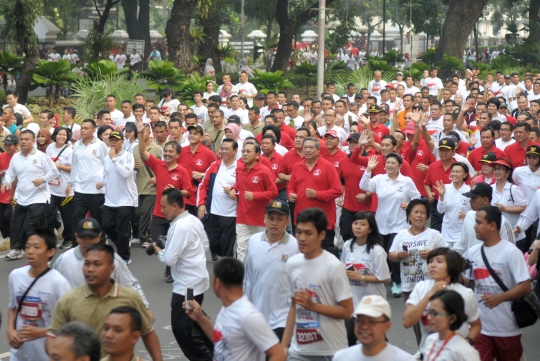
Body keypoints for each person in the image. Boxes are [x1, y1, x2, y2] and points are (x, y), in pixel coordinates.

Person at [46, 243, 163, 360]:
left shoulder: (131, 298)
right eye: (87, 264)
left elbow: (147, 332)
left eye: (97, 264)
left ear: (111, 268)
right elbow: (52, 336)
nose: (90, 269)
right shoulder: (67, 300)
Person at [281, 208, 354, 360]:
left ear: (321, 235)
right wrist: (283, 346)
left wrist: (313, 306)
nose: (301, 238)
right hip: (298, 351)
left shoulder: (333, 266)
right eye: (299, 232)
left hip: (330, 350)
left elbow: (347, 311)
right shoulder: (292, 264)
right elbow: (294, 306)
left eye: (308, 233)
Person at [151, 188, 213, 359]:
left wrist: (158, 251)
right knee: (197, 321)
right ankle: (218, 351)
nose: (162, 210)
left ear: (175, 206)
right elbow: (205, 245)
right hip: (198, 281)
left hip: (186, 286)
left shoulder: (178, 226)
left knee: (182, 328)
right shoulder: (193, 220)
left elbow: (170, 259)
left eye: (164, 207)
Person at [463, 206, 531, 361]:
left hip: (506, 329)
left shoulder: (511, 252)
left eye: (479, 222)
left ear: (492, 226)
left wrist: (499, 298)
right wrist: (457, 278)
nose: (474, 226)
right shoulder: (473, 251)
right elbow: (472, 284)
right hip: (480, 328)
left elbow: (526, 286)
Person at [186, 257, 286, 361]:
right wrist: (200, 318)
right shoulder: (227, 309)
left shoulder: (248, 315)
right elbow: (221, 340)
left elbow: (279, 354)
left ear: (218, 282)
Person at [53, 217, 150, 308]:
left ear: (99, 236)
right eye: (83, 237)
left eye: (91, 237)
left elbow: (131, 285)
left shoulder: (113, 259)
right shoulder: (63, 260)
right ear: (76, 237)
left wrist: (145, 308)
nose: (87, 242)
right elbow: (52, 288)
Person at [389, 199, 448, 346]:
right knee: (416, 322)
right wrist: (399, 256)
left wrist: (432, 254)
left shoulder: (434, 235)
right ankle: (422, 349)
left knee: (433, 320)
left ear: (427, 216)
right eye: (415, 212)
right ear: (409, 216)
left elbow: (448, 253)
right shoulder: (401, 235)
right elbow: (391, 255)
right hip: (409, 286)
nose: (419, 216)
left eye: (423, 213)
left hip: (431, 285)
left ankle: (435, 349)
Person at [360, 153, 421, 297]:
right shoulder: (379, 179)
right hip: (381, 223)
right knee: (382, 252)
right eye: (388, 162)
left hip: (399, 223)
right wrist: (368, 170)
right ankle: (387, 276)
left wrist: (409, 204)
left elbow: (417, 196)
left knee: (391, 252)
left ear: (399, 166)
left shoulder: (406, 181)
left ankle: (397, 282)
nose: (389, 165)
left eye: (393, 163)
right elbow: (363, 186)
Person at [403, 248, 481, 358]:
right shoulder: (421, 287)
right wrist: (429, 295)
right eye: (430, 261)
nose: (432, 265)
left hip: (455, 355)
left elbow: (476, 324)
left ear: (451, 266)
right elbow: (407, 322)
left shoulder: (465, 294)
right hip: (428, 351)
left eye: (439, 261)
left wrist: (467, 342)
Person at [7, 229, 71, 361]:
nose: (30, 251)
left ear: (51, 251)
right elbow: (13, 307)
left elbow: (70, 324)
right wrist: (10, 330)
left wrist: (41, 332)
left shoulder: (59, 283)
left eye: (37, 247)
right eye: (28, 246)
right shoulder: (15, 276)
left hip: (47, 354)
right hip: (19, 354)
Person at [244, 199, 299, 340]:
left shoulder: (295, 246)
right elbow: (248, 279)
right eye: (271, 218)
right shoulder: (253, 241)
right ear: (264, 218)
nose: (274, 223)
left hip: (282, 319)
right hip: (256, 317)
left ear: (287, 221)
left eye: (279, 219)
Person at [1, 130, 59, 260]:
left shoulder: (41, 156)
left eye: (27, 139)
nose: (23, 142)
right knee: (18, 227)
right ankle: (20, 249)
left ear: (33, 141)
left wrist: (42, 180)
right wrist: (6, 183)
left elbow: (54, 172)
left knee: (30, 226)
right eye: (21, 139)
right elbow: (10, 173)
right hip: (21, 198)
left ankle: (41, 253)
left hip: (39, 198)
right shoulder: (16, 157)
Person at [341, 212, 391, 346]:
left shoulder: (377, 250)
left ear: (370, 229)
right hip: (353, 304)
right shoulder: (348, 245)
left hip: (373, 303)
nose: (358, 227)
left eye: (363, 224)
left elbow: (385, 278)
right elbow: (342, 267)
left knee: (376, 340)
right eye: (355, 223)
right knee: (348, 337)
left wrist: (361, 277)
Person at [288, 137, 342, 258]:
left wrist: (317, 194)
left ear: (318, 150)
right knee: (303, 254)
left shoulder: (327, 166)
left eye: (311, 147)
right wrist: (291, 195)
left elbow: (338, 190)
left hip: (323, 220)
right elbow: (291, 187)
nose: (307, 150)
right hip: (302, 219)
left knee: (324, 254)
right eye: (305, 147)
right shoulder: (297, 166)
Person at [230, 142, 278, 261]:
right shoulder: (239, 169)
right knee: (242, 249)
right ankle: (243, 277)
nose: (245, 154)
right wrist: (234, 188)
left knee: (262, 249)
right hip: (242, 217)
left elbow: (273, 192)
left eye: (248, 151)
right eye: (243, 151)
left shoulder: (264, 171)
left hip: (260, 218)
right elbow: (240, 183)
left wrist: (255, 195)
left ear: (257, 155)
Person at [332, 295, 415, 361]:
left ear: (387, 326)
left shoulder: (404, 359)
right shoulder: (341, 357)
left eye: (372, 322)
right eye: (360, 321)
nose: (364, 326)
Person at [67, 119, 108, 245]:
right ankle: (76, 245)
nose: (83, 130)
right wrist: (70, 183)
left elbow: (107, 165)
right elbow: (75, 165)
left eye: (86, 128)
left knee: (97, 218)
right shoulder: (77, 145)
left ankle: (99, 242)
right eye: (82, 128)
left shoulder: (100, 145)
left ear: (93, 130)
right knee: (77, 217)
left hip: (96, 189)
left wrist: (103, 181)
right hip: (80, 188)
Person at [197, 138, 238, 259]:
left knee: (227, 245)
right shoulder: (215, 165)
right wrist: (201, 204)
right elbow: (203, 185)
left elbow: (246, 187)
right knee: (212, 241)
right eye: (222, 149)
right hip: (213, 212)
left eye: (227, 149)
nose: (223, 151)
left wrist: (235, 191)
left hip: (231, 214)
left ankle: (228, 270)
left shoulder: (240, 167)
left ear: (235, 150)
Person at [420, 290, 481, 361]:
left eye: (435, 313)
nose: (429, 317)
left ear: (452, 318)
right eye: (429, 312)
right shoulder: (430, 340)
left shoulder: (463, 351)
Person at [46, 127, 75, 249]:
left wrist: (58, 166)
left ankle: (68, 239)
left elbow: (74, 168)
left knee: (67, 217)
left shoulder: (69, 151)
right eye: (60, 134)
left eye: (64, 135)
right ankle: (49, 240)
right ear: (55, 135)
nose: (62, 137)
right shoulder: (49, 148)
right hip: (51, 188)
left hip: (65, 189)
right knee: (47, 214)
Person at [488, 158, 527, 247]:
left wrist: (505, 209)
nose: (496, 171)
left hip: (514, 234)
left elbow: (523, 207)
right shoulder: (490, 188)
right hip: (497, 235)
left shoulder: (513, 189)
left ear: (508, 172)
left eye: (500, 169)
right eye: (495, 169)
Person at [435, 162, 471, 248]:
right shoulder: (445, 188)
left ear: (465, 175)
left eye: (458, 172)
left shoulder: (469, 190)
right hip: (446, 231)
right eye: (453, 171)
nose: (454, 174)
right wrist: (441, 196)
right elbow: (440, 211)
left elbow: (474, 211)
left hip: (462, 232)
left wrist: (467, 215)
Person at [0, 134, 18, 246]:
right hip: (2, 192)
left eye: (9, 145)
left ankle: (15, 241)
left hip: (15, 193)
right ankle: (8, 238)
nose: (7, 147)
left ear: (16, 146)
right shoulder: (1, 156)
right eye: (5, 144)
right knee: (1, 219)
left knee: (9, 217)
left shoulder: (19, 157)